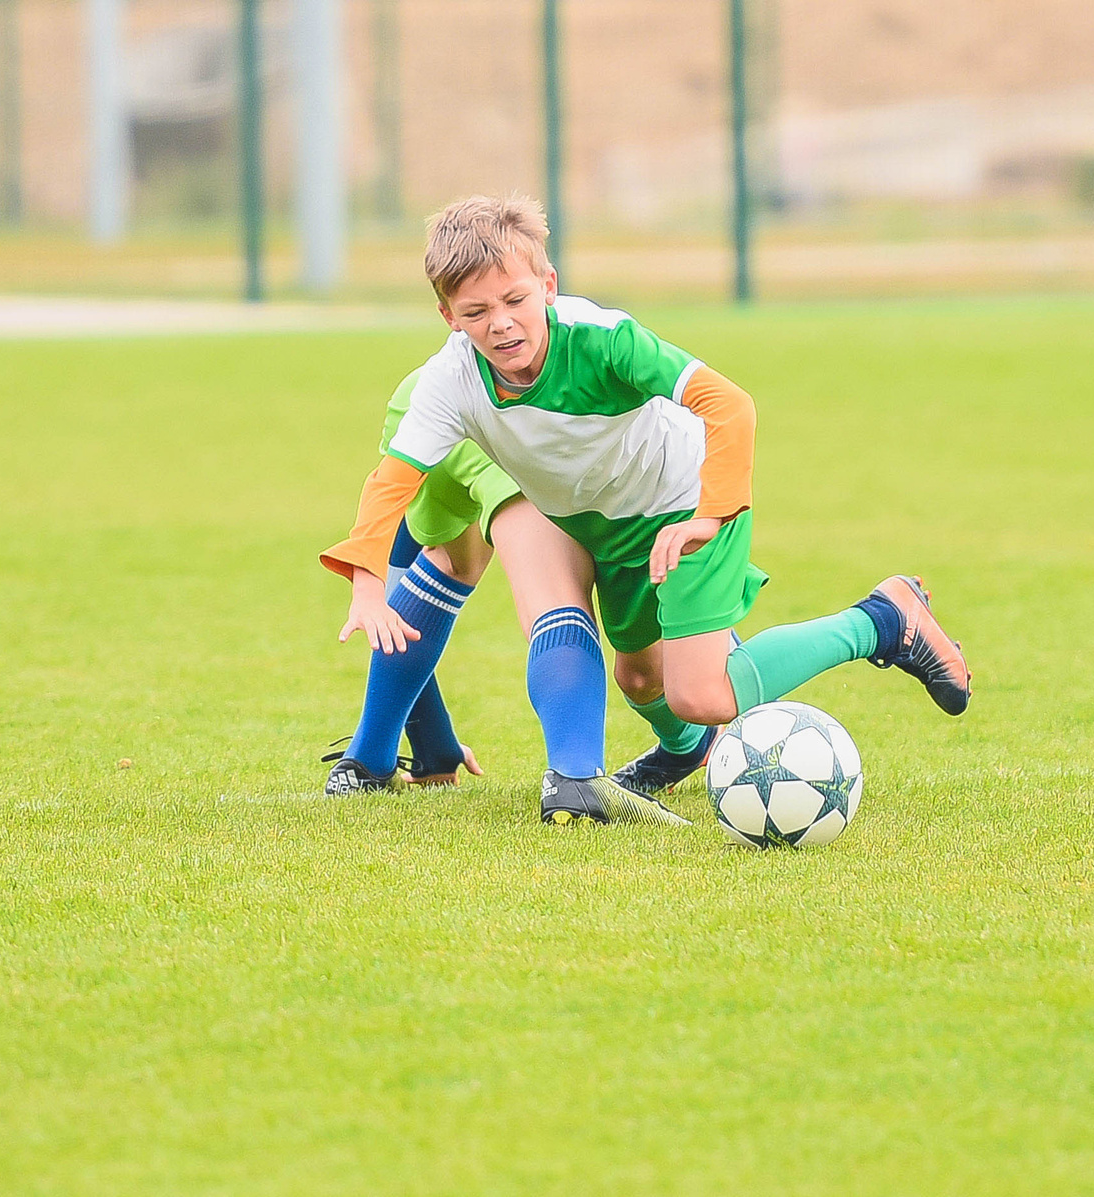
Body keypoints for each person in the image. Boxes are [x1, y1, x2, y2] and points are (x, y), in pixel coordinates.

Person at [332, 192, 970, 826]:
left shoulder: (607, 341)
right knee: (639, 680)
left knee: (702, 694)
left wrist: (707, 516)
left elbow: (730, 405)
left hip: (686, 506)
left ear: (547, 286)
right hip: (600, 526)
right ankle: (683, 756)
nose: (501, 323)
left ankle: (882, 620)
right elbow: (391, 482)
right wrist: (366, 587)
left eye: (515, 300)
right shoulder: (450, 381)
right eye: (477, 311)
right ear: (449, 316)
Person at [317, 366, 682, 825]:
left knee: (450, 562)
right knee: (556, 600)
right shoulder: (566, 350)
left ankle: (368, 760)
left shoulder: (434, 389)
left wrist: (434, 746)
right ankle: (578, 778)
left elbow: (398, 601)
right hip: (521, 424)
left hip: (418, 403)